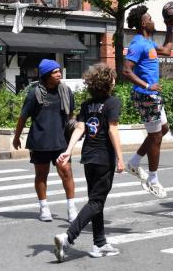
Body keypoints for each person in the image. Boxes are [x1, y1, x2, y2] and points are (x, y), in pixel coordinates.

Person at [53, 64, 124, 262]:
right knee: (96, 202)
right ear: (108, 82)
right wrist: (120, 157)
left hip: (89, 158)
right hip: (103, 158)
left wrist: (68, 150)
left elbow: (79, 128)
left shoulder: (87, 105)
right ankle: (68, 237)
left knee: (96, 201)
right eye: (112, 78)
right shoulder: (113, 102)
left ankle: (99, 243)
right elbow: (112, 130)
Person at [12, 59, 78, 223]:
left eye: (59, 71)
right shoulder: (34, 92)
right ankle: (44, 207)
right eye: (55, 72)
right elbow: (23, 117)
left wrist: (73, 131)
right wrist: (16, 137)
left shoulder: (66, 91)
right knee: (42, 175)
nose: (59, 74)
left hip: (61, 140)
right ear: (47, 75)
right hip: (40, 141)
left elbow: (71, 115)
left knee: (66, 172)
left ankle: (71, 208)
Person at [121, 5, 173, 198]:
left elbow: (167, 50)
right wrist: (146, 85)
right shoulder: (137, 45)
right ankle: (153, 180)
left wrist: (169, 26)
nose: (153, 21)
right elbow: (126, 70)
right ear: (144, 23)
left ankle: (134, 163)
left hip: (153, 96)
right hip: (146, 96)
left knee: (163, 130)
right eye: (151, 19)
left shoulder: (149, 43)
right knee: (156, 137)